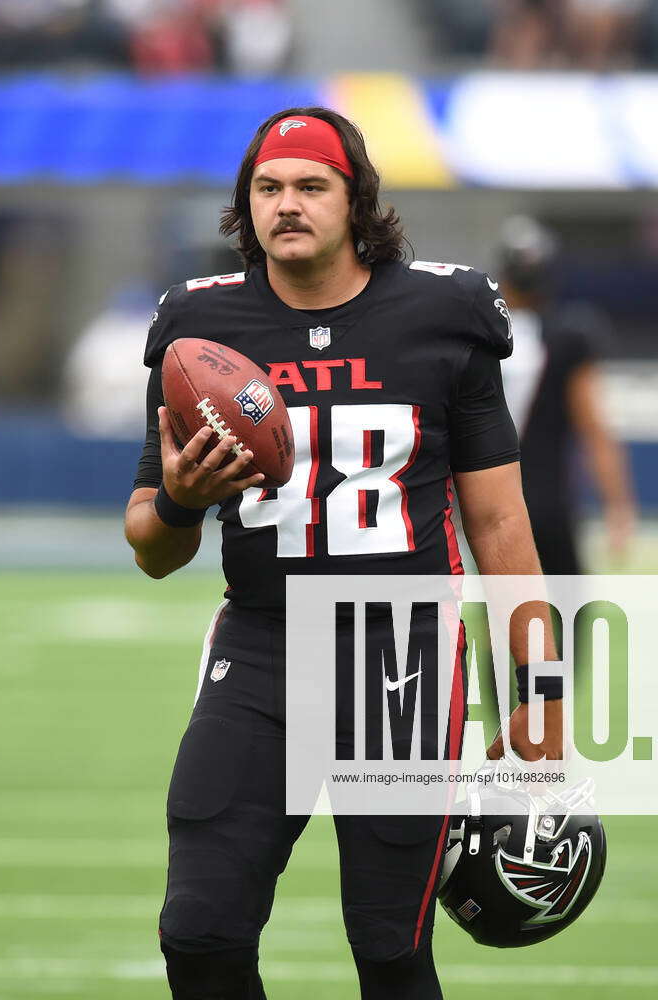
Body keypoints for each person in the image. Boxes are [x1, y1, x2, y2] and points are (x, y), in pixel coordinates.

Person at [125, 108, 563, 1000]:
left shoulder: (444, 312)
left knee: (389, 947)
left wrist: (541, 694)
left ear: (356, 197)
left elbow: (500, 528)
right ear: (247, 204)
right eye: (269, 188)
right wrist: (181, 499)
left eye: (311, 186)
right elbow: (150, 545)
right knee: (198, 930)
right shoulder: (201, 330)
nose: (288, 205)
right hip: (261, 652)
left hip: (399, 660)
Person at [498, 215, 636, 574]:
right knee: (565, 617)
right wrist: (618, 506)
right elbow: (594, 427)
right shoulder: (569, 334)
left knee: (497, 613)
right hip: (547, 500)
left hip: (485, 498)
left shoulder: (479, 332)